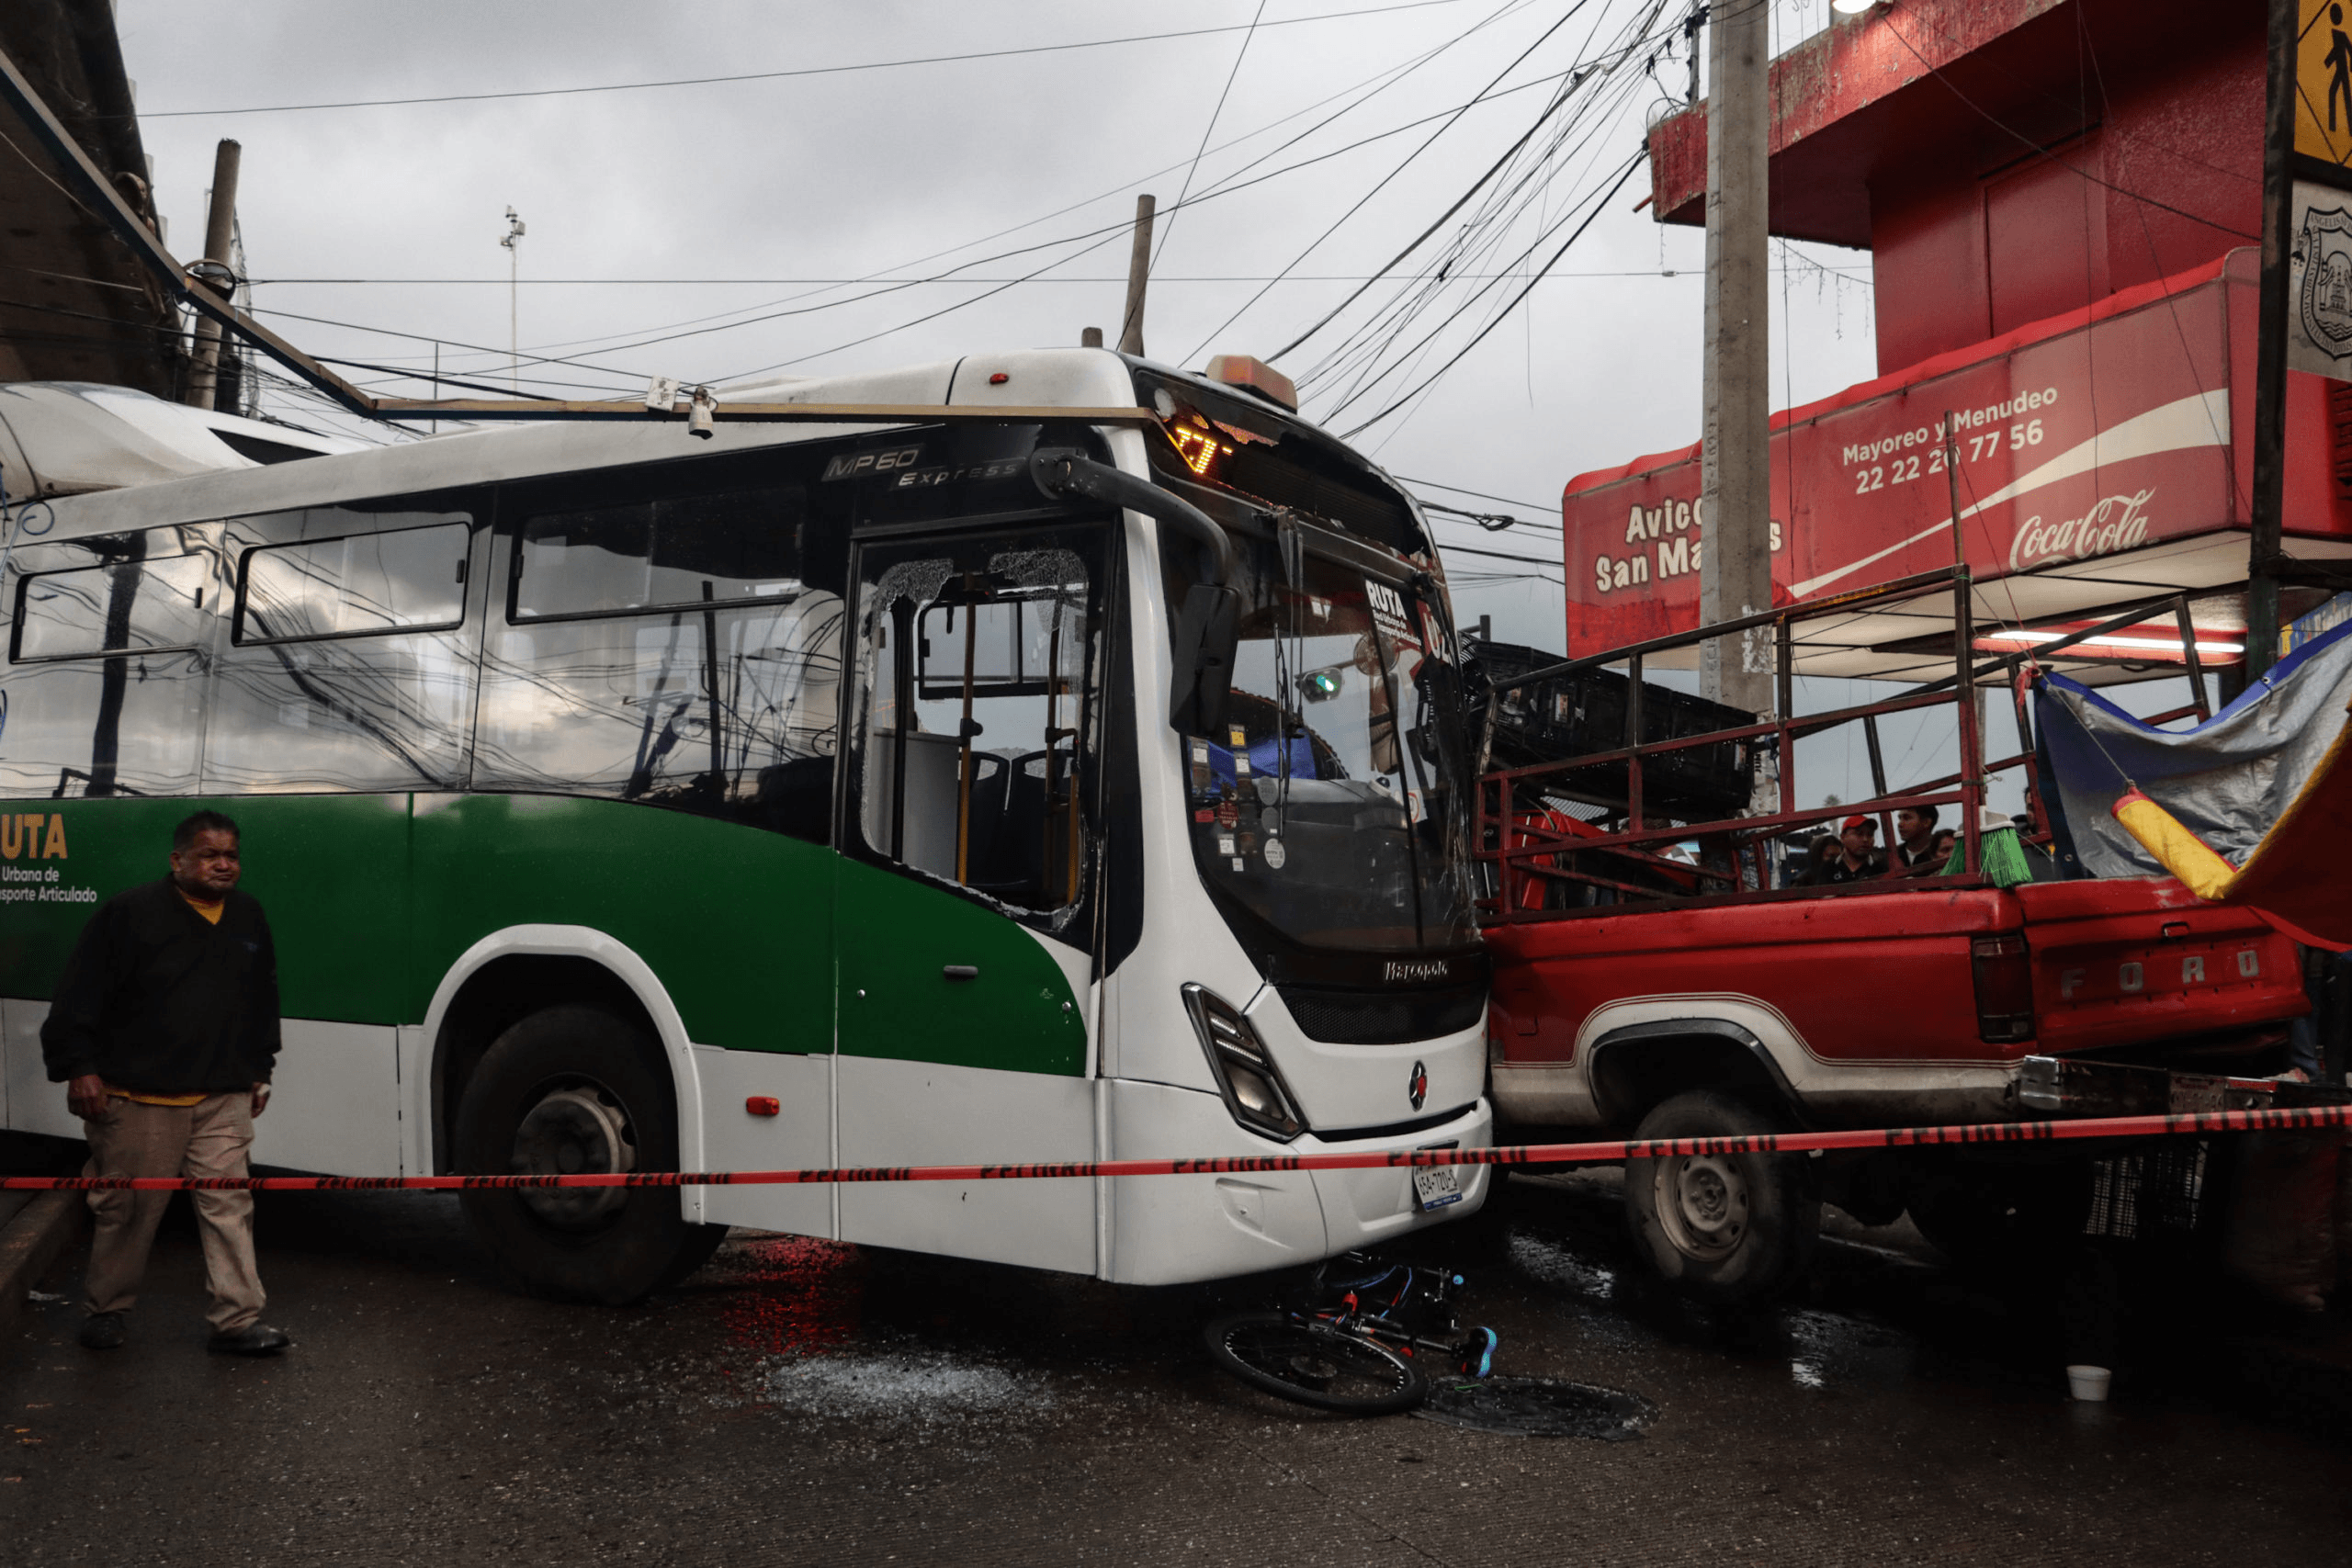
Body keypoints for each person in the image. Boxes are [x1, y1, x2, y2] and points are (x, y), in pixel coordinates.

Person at [41, 811, 291, 1356]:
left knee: (229, 1206)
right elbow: (78, 996)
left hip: (222, 1095)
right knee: (128, 1211)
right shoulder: (128, 914)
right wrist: (79, 1068)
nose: (223, 864)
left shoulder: (247, 915)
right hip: (139, 1097)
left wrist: (259, 1071)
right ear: (177, 860)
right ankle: (107, 1310)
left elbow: (260, 999)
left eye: (231, 855)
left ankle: (236, 1319)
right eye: (209, 854)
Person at [1812, 814, 1884, 885]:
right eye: (1859, 834)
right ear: (1843, 837)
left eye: (1870, 834)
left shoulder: (1881, 869)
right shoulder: (1828, 869)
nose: (1865, 839)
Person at [1892, 805, 1941, 871]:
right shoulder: (1892, 855)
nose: (1900, 824)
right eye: (1899, 818)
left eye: (1907, 818)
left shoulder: (1943, 851)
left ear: (1926, 822)